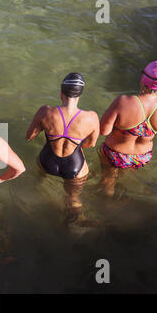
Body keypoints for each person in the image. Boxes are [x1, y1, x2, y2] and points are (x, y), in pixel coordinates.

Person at [99, 61, 157, 196]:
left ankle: (106, 205)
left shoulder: (123, 101)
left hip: (115, 154)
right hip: (142, 157)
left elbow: (103, 131)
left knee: (108, 181)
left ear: (143, 77)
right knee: (125, 174)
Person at [26, 73, 100, 214]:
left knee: (37, 183)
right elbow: (91, 144)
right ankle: (72, 225)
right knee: (74, 199)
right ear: (80, 94)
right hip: (74, 166)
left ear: (61, 92)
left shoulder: (45, 111)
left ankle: (33, 205)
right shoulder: (91, 117)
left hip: (47, 161)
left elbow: (29, 136)